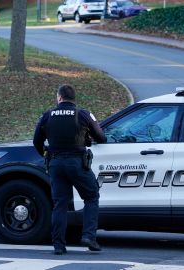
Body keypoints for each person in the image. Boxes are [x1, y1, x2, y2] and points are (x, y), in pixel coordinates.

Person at [33, 84, 107, 255]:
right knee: (91, 195)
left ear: (59, 98)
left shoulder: (47, 116)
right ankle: (89, 236)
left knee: (60, 204)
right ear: (74, 99)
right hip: (77, 163)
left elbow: (37, 141)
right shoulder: (83, 114)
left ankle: (58, 245)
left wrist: (45, 154)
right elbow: (101, 137)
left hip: (55, 164)